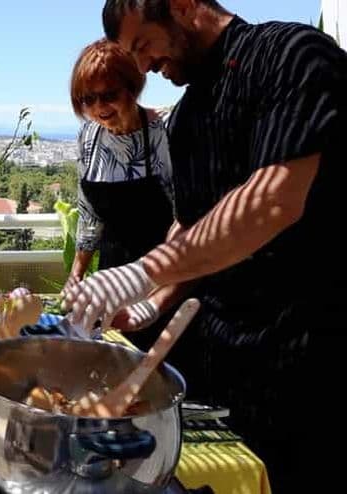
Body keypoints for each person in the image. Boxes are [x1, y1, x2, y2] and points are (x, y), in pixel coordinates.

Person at [62, 0, 346, 491]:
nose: (144, 65)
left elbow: (270, 202)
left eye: (144, 44)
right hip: (222, 363)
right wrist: (153, 303)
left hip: (309, 365)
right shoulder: (189, 115)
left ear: (183, 5)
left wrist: (138, 273)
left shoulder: (293, 55)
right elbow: (191, 227)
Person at [66, 38, 175, 348]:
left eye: (109, 95)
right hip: (111, 281)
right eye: (88, 99)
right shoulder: (88, 135)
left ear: (132, 87)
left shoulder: (164, 131)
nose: (99, 107)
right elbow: (89, 214)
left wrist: (158, 291)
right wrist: (77, 274)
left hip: (162, 279)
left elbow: (189, 219)